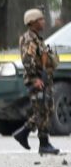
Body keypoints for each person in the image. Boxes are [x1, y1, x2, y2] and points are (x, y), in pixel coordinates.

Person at [15, 9, 61, 155]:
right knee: (41, 110)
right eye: (41, 19)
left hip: (43, 78)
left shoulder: (37, 38)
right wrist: (35, 79)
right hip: (37, 79)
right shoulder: (29, 39)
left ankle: (43, 143)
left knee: (46, 110)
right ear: (33, 22)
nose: (44, 22)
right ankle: (26, 134)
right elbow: (27, 60)